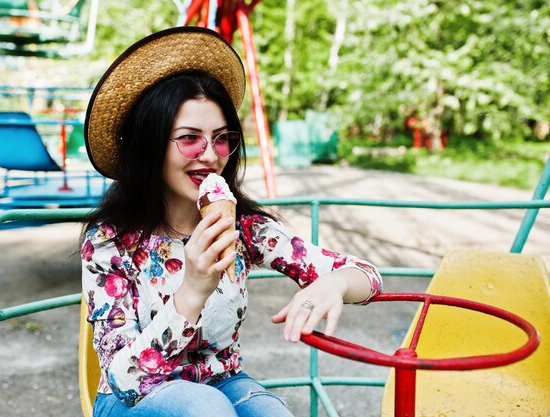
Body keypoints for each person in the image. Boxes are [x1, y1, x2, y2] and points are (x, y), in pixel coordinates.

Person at [80, 26, 382, 417]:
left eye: (222, 138)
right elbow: (123, 379)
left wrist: (333, 284)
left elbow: (368, 275)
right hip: (131, 399)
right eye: (189, 138)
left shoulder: (244, 228)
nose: (209, 154)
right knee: (202, 407)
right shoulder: (109, 240)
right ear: (150, 145)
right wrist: (192, 290)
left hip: (221, 384)